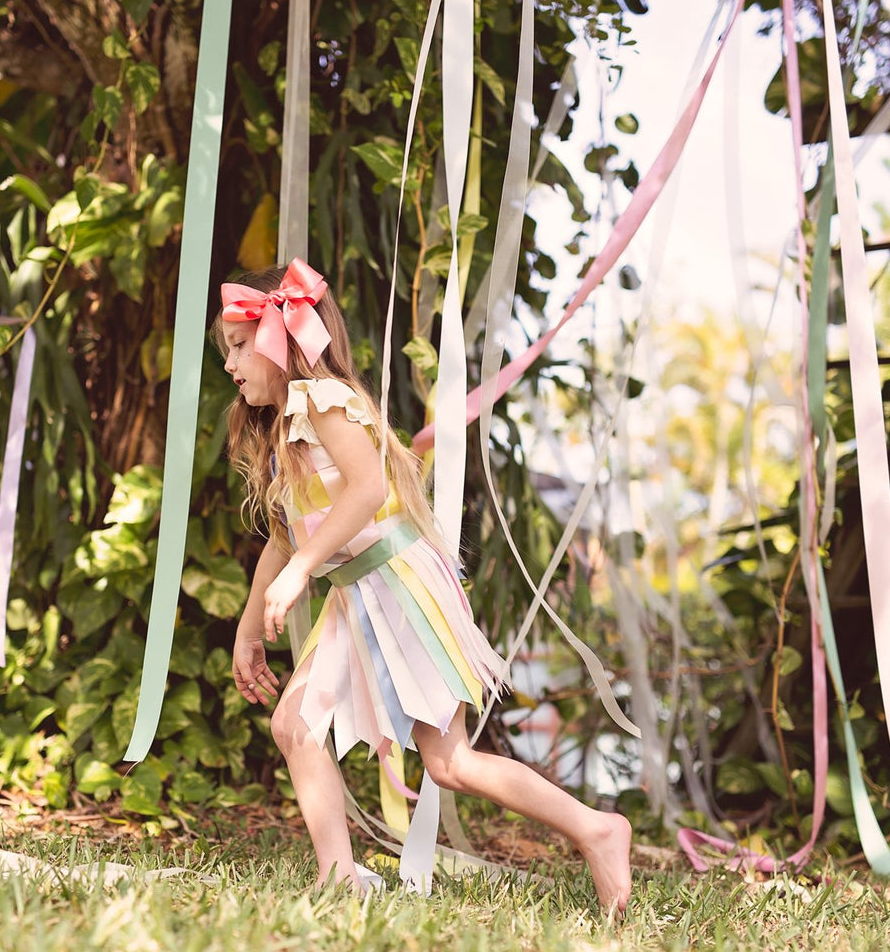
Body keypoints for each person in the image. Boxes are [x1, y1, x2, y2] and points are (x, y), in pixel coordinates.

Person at [218, 259, 632, 913]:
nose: (230, 363)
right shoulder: (281, 428)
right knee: (296, 726)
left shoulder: (324, 400)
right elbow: (284, 533)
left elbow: (367, 490)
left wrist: (302, 569)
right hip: (356, 595)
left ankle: (597, 828)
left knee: (450, 763)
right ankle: (339, 881)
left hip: (398, 586)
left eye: (240, 345)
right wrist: (249, 629)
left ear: (281, 339)